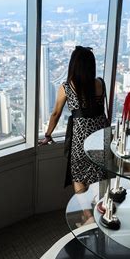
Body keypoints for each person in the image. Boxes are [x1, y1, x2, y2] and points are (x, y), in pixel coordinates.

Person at [39, 46, 108, 194]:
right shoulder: (100, 84)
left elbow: (56, 113)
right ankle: (97, 212)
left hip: (80, 142)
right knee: (98, 182)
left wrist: (48, 135)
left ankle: (87, 215)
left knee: (78, 179)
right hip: (99, 140)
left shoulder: (67, 87)